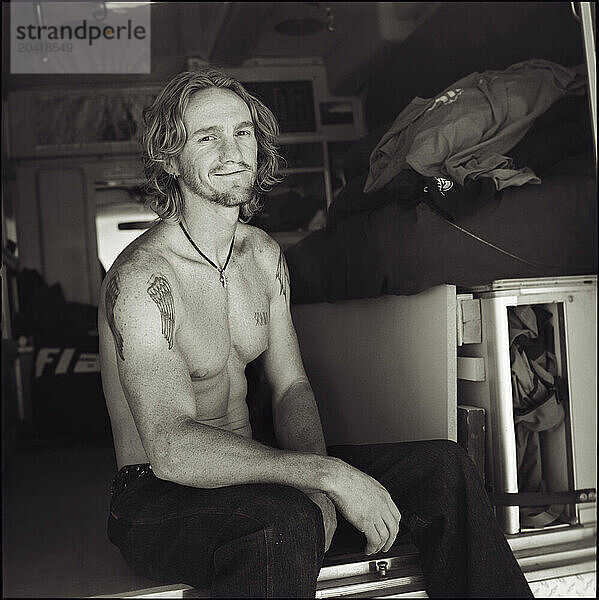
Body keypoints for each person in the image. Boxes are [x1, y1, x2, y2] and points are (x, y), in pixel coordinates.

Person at [99, 68, 533, 598]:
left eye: (242, 132)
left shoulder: (261, 256)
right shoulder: (144, 278)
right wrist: (325, 476)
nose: (232, 150)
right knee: (281, 521)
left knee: (445, 469)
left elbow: (289, 386)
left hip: (255, 472)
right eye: (206, 137)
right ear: (170, 157)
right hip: (155, 494)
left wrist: (321, 481)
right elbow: (169, 448)